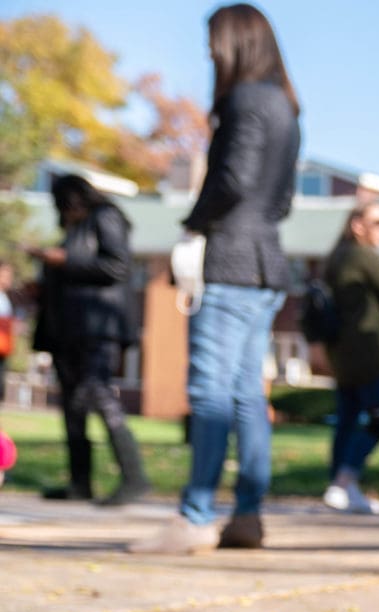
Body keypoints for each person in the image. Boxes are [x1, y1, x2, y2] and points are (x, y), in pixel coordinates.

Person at [131, 3, 300, 554]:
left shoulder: (244, 101)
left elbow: (232, 179)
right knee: (247, 395)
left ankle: (194, 515)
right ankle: (247, 515)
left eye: (213, 42)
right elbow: (281, 198)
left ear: (234, 43)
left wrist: (193, 224)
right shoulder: (287, 108)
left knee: (209, 392)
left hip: (229, 261)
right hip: (267, 260)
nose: (208, 53)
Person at [28, 175, 149, 506]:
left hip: (99, 326)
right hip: (68, 330)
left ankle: (134, 477)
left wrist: (63, 260)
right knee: (72, 404)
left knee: (97, 393)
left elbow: (117, 266)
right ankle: (79, 483)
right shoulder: (71, 232)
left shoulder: (107, 218)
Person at [321, 200, 379, 514]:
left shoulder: (337, 256)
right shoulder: (361, 255)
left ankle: (341, 487)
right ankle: (343, 481)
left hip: (342, 352)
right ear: (358, 226)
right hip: (367, 351)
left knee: (347, 419)